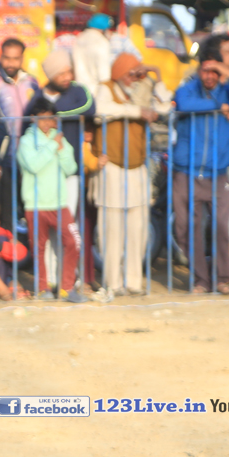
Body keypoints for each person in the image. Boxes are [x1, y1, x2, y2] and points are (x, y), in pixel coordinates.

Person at [172, 56, 229, 294]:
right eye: (205, 70)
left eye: (215, 71)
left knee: (221, 227)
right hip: (186, 172)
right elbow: (183, 103)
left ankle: (222, 279)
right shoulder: (188, 88)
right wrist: (219, 106)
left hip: (218, 173)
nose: (209, 76)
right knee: (185, 229)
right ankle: (201, 279)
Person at [93, 53, 172, 297]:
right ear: (119, 73)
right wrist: (136, 111)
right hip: (112, 167)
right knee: (111, 229)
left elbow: (165, 106)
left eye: (137, 73)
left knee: (137, 228)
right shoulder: (106, 88)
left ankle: (133, 282)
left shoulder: (142, 89)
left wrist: (156, 75)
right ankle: (113, 283)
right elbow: (100, 111)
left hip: (137, 167)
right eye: (130, 74)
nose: (134, 78)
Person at [25, 49, 95, 292]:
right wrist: (46, 115)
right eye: (61, 73)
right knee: (46, 232)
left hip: (69, 172)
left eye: (69, 71)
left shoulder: (78, 91)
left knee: (68, 227)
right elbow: (26, 120)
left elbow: (90, 107)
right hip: (43, 175)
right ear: (50, 75)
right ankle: (51, 280)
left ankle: (68, 278)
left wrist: (52, 115)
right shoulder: (37, 96)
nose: (67, 77)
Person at [16, 98, 84, 302]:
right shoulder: (26, 142)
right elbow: (34, 165)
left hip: (59, 203)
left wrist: (61, 150)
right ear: (33, 119)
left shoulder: (59, 138)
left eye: (50, 118)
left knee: (74, 241)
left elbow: (71, 168)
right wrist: (54, 146)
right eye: (42, 118)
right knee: (38, 249)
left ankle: (66, 288)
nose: (47, 123)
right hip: (35, 204)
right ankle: (42, 289)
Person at [0, 38, 39, 223]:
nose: (10, 63)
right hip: (6, 161)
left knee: (31, 212)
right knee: (7, 214)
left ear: (22, 58)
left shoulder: (32, 83)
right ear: (1, 56)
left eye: (15, 59)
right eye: (6, 58)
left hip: (32, 159)